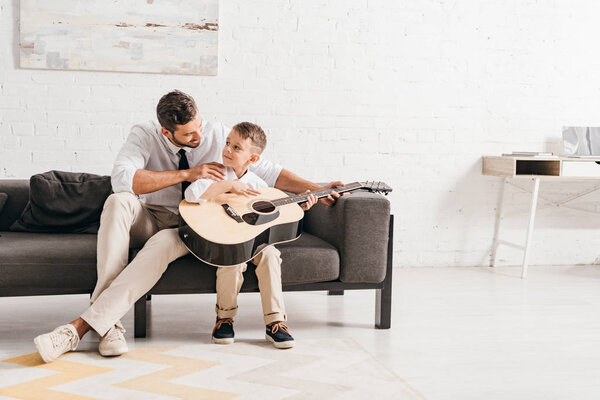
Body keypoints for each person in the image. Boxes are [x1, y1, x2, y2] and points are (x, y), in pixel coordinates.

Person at [33, 90, 342, 363]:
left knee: (175, 248)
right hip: (155, 218)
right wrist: (188, 175)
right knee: (118, 201)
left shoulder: (219, 135)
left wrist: (317, 188)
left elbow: (267, 171)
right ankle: (109, 325)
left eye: (200, 128)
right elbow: (123, 181)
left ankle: (82, 328)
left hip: (198, 227)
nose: (200, 137)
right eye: (190, 135)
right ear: (167, 132)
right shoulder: (145, 134)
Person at [184, 121, 317, 349]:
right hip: (224, 239)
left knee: (270, 255)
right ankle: (224, 318)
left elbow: (270, 215)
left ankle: (276, 323)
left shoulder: (258, 185)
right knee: (232, 258)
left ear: (253, 159)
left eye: (236, 148)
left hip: (253, 240)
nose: (227, 149)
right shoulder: (214, 173)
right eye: (227, 143)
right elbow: (192, 194)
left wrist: (300, 207)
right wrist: (228, 185)